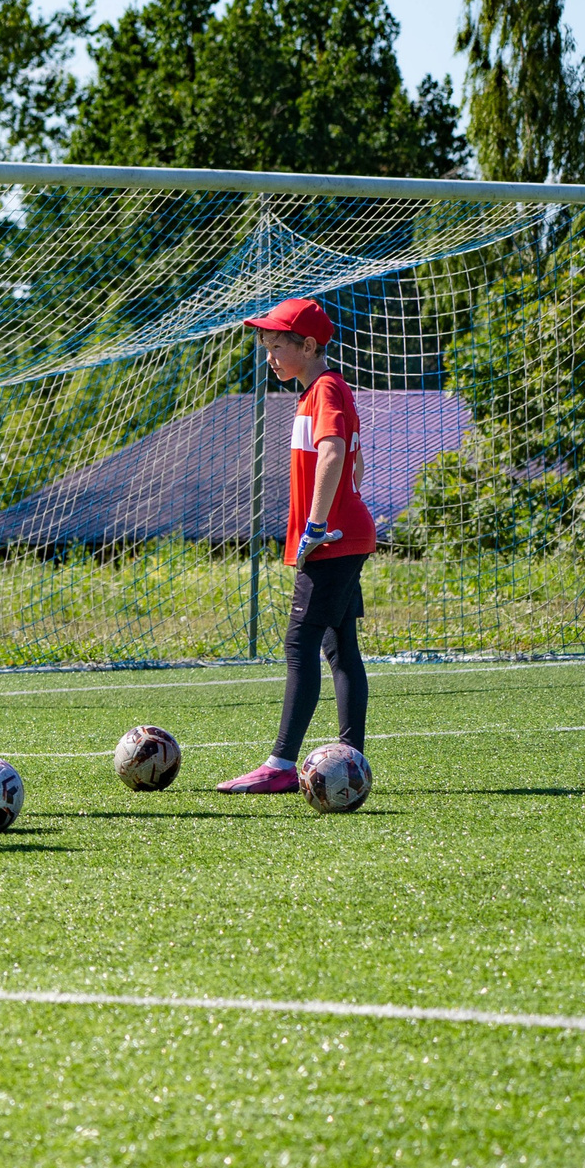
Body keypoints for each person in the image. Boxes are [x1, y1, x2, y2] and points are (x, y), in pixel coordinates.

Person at [219, 297, 374, 796]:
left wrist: (317, 523)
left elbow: (334, 453)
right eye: (265, 346)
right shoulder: (316, 392)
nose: (269, 356)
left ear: (308, 345)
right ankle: (352, 760)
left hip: (333, 539)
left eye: (276, 345)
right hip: (346, 534)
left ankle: (282, 763)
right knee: (338, 646)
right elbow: (357, 461)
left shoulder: (325, 388)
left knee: (300, 643)